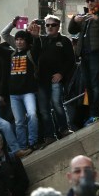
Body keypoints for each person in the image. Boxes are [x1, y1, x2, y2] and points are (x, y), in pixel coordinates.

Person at [0, 24, 40, 153]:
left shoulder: (30, 54)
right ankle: (23, 146)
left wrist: (36, 37)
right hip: (14, 95)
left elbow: (38, 48)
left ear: (26, 41)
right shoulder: (11, 54)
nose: (19, 42)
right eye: (17, 39)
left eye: (21, 39)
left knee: (32, 115)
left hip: (28, 92)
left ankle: (33, 142)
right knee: (19, 122)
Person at [36, 14, 75, 144]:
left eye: (53, 25)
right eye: (47, 25)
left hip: (55, 79)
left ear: (58, 26)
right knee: (44, 109)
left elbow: (71, 61)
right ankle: (49, 135)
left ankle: (64, 129)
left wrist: (61, 74)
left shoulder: (64, 41)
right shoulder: (41, 40)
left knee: (57, 104)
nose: (50, 27)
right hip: (41, 80)